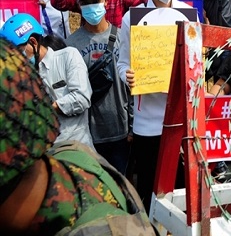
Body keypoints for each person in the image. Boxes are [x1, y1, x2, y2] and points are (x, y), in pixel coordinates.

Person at [0, 37, 155, 235]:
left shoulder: (68, 55)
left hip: (89, 139)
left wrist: (50, 105)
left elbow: (83, 97)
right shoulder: (27, 74)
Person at [117, 0, 193, 211]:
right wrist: (126, 75)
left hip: (181, 123)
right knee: (152, 196)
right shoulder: (133, 19)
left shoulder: (188, 16)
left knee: (183, 198)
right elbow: (122, 61)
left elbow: (196, 65)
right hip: (147, 124)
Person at [66, 0, 131, 175]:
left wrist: (132, 126)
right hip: (89, 134)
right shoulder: (71, 45)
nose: (91, 6)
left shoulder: (123, 37)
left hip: (121, 130)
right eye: (85, 2)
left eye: (95, 0)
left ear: (106, 0)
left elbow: (132, 85)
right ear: (78, 5)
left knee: (122, 187)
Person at [0, 13, 93, 147]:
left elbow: (82, 98)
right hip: (45, 154)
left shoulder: (68, 56)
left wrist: (44, 107)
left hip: (76, 148)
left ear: (33, 42)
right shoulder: (22, 75)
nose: (16, 59)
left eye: (18, 52)